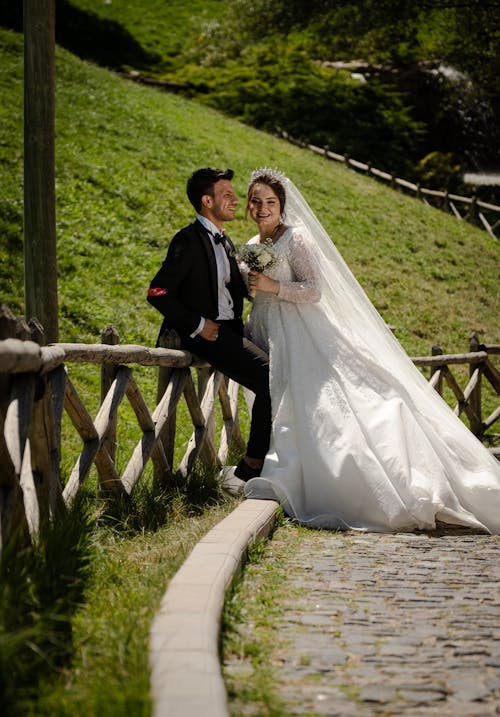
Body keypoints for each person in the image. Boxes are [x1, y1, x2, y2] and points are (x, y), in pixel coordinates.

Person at [239, 167, 500, 533]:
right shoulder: (252, 245)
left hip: (302, 332)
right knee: (277, 397)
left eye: (270, 201)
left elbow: (315, 290)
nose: (263, 208)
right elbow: (255, 290)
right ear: (249, 206)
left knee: (317, 400)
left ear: (282, 206)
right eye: (256, 201)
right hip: (268, 330)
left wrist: (272, 285)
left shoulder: (296, 240)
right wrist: (254, 289)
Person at [147, 167, 271, 481]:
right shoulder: (188, 240)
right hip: (208, 336)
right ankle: (251, 467)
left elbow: (226, 290)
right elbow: (157, 291)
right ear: (207, 201)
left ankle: (264, 461)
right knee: (269, 377)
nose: (234, 200)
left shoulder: (225, 242)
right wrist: (198, 324)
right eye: (227, 195)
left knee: (280, 370)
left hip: (231, 332)